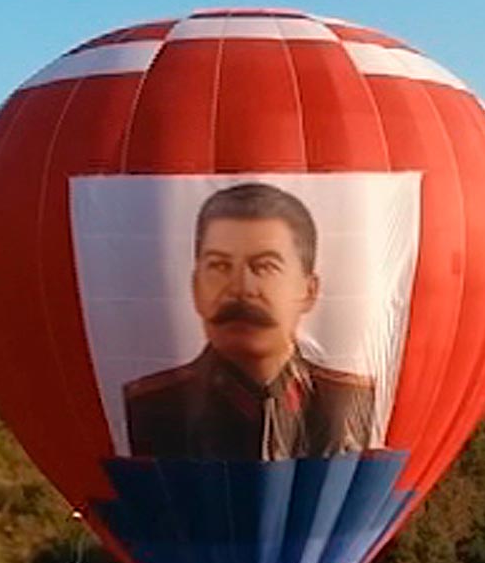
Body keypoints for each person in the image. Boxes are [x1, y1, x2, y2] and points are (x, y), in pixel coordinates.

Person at [123, 182, 376, 461]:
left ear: (309, 291)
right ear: (195, 288)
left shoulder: (351, 401)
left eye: (265, 266)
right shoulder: (149, 407)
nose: (242, 288)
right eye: (220, 266)